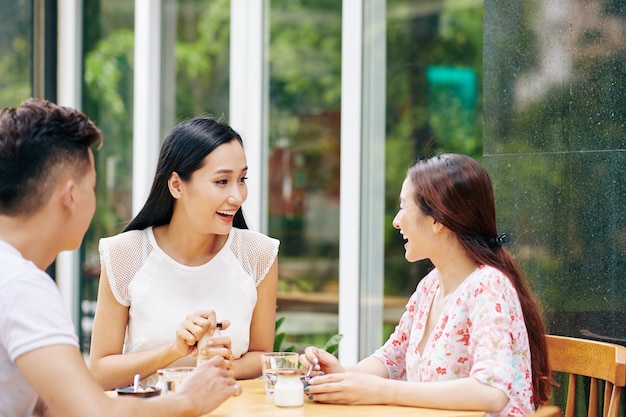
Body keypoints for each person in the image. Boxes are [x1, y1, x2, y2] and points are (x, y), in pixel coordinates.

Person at [0, 98, 240, 417]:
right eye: (93, 187)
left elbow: (51, 405)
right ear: (71, 195)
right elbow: (92, 412)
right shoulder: (21, 287)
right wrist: (189, 400)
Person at [299, 153, 554, 417]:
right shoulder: (430, 286)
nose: (396, 221)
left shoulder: (488, 287)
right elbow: (390, 359)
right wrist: (341, 376)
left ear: (437, 221)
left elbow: (491, 392)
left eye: (403, 207)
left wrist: (380, 390)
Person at [89, 115, 279, 390]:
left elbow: (262, 355)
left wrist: (217, 367)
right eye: (222, 181)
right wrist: (176, 350)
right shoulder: (124, 254)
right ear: (177, 185)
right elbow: (100, 372)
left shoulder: (258, 253)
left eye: (242, 179)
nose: (237, 196)